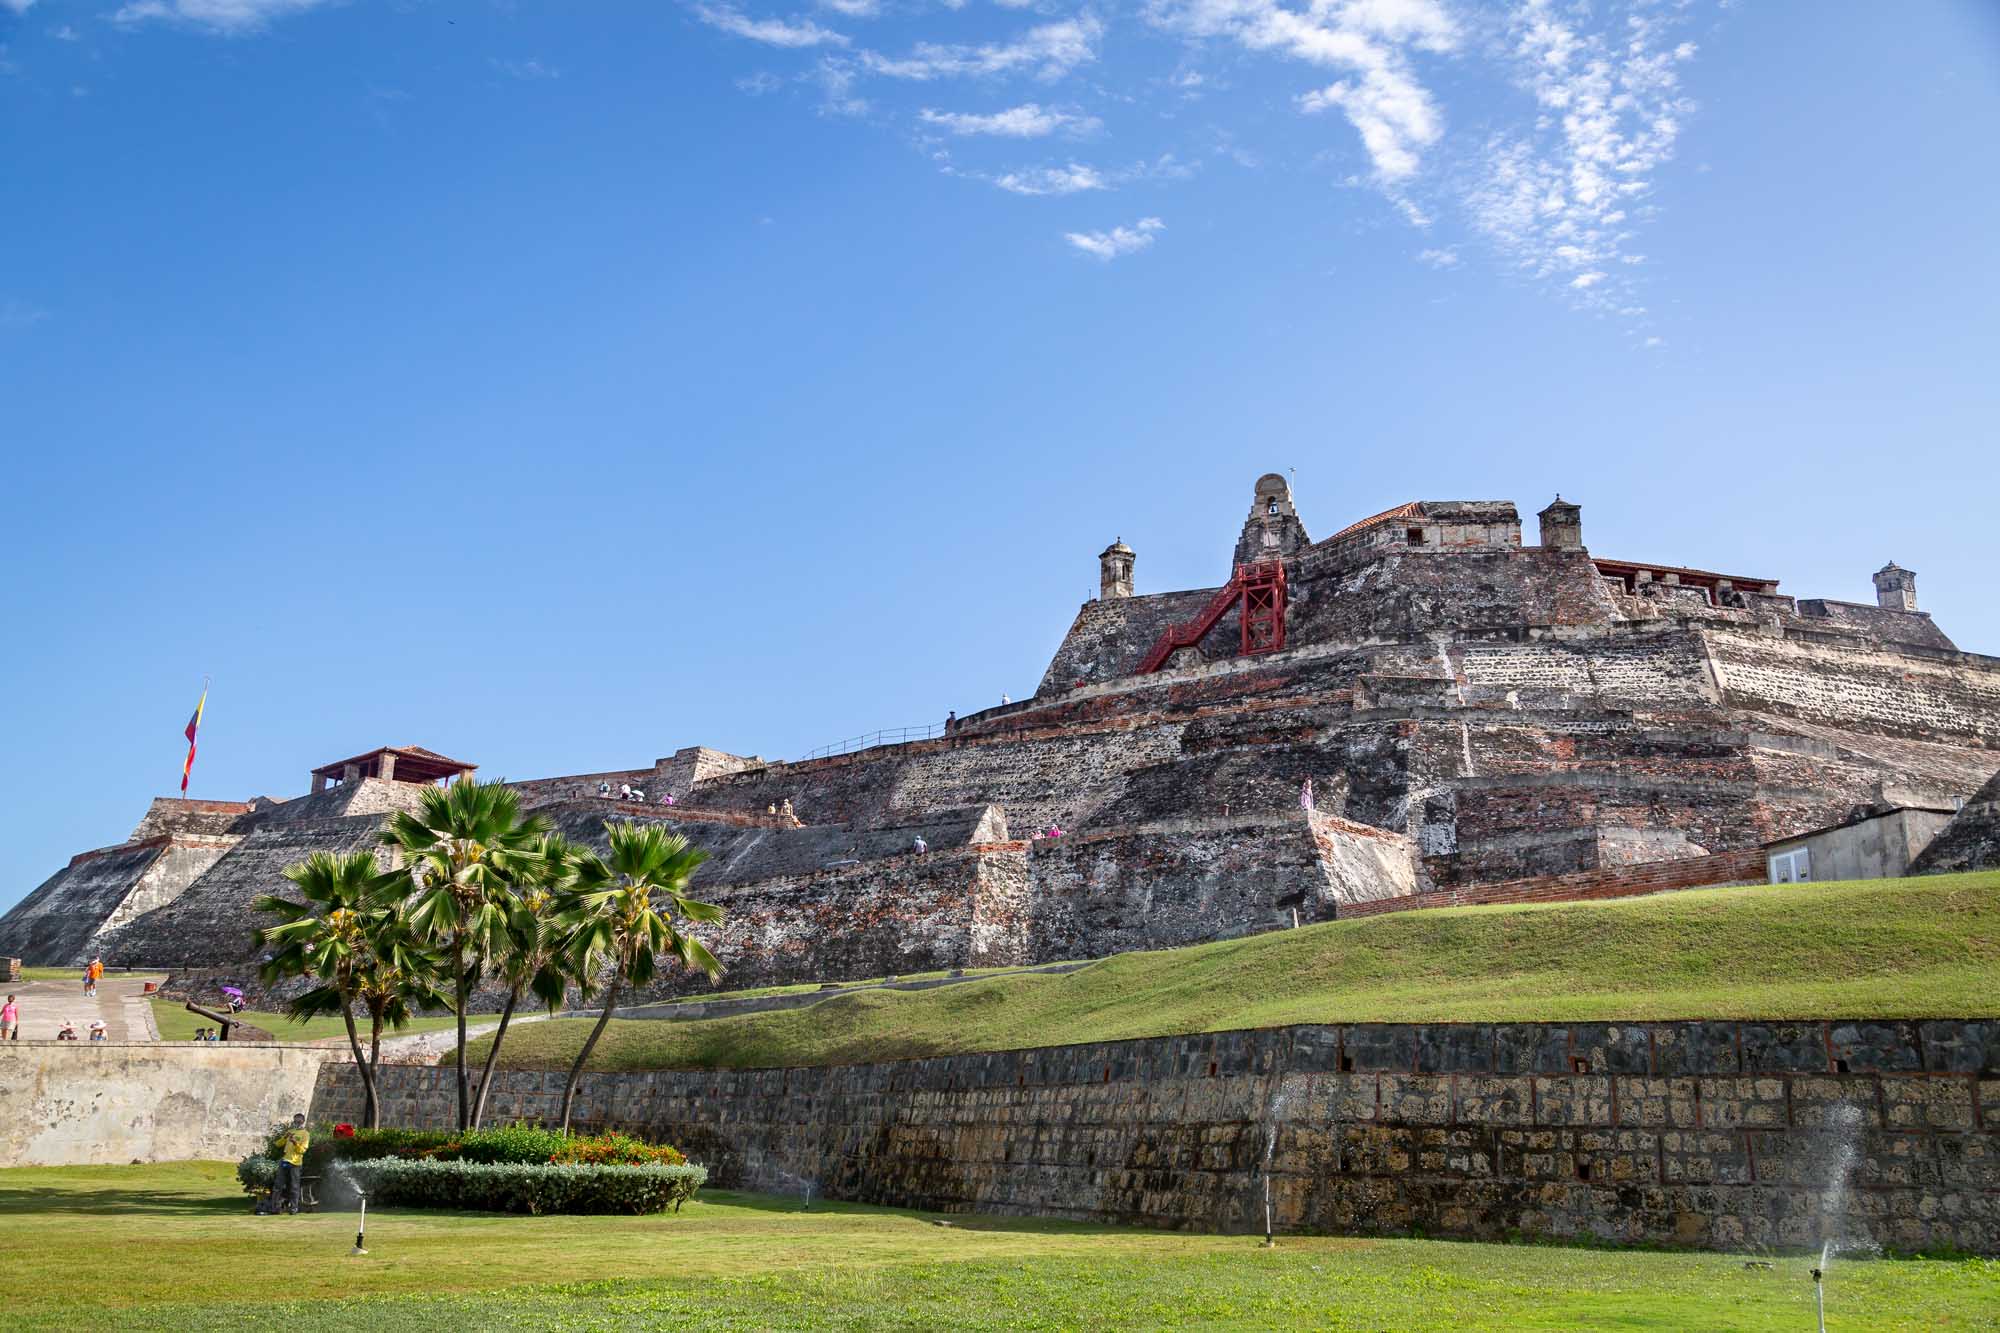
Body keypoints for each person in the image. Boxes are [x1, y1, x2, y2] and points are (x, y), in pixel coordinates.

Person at [274, 1114, 311, 1214]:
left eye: (299, 1122)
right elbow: (278, 1144)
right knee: (278, 1185)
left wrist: (295, 1143)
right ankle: (275, 1207)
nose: (297, 1123)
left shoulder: (305, 1134)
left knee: (294, 1186)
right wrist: (284, 1137)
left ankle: (294, 1208)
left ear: (303, 1122)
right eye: (295, 1121)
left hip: (295, 1163)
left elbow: (302, 1150)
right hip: (285, 1161)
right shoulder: (290, 1131)